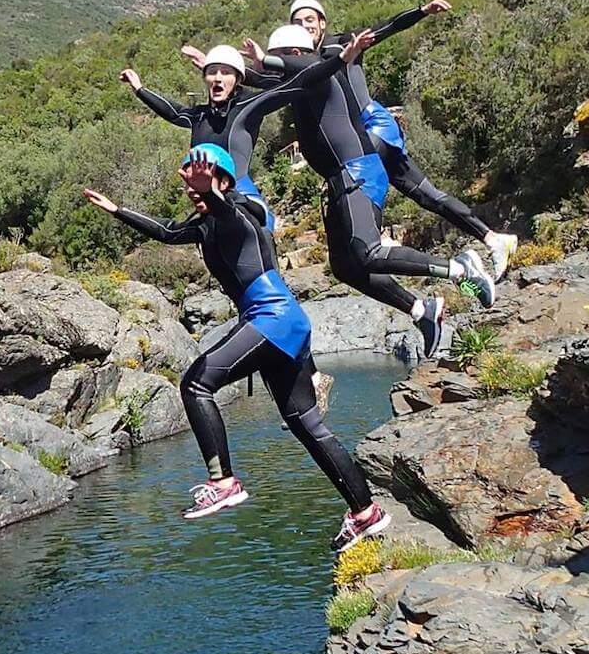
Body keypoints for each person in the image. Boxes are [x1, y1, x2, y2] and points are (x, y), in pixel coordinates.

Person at [83, 143, 391, 552]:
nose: (193, 187)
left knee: (195, 383)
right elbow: (166, 231)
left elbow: (228, 211)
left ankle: (223, 482)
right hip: (283, 321)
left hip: (271, 316)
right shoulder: (206, 222)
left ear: (224, 180)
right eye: (190, 180)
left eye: (204, 177)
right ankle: (365, 512)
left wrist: (211, 191)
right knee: (307, 425)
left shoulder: (239, 210)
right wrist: (117, 209)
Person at [244, 12, 495, 359]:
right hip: (338, 180)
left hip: (357, 170)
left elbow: (306, 66)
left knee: (368, 251)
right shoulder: (297, 81)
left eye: (282, 57)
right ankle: (422, 311)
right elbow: (260, 84)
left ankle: (460, 268)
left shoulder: (317, 68)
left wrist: (264, 59)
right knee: (346, 268)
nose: (277, 67)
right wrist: (220, 71)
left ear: (296, 54)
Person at [283, 0, 518, 276]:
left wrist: (422, 11)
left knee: (355, 175)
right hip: (359, 143)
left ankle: (376, 234)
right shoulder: (299, 63)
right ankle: (494, 240)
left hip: (373, 128)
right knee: (428, 196)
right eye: (297, 22)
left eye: (309, 20)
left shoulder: (344, 43)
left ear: (322, 23)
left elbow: (388, 26)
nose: (304, 25)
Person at [118, 41, 340, 232]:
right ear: (205, 77)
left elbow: (296, 84)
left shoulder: (249, 105)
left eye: (226, 72)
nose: (218, 78)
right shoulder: (199, 116)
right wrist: (139, 89)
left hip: (241, 195)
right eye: (212, 71)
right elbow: (172, 112)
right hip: (208, 196)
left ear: (238, 79)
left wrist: (341, 58)